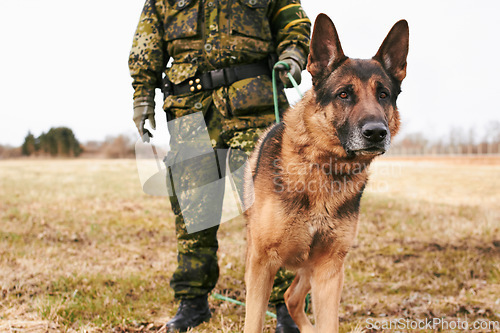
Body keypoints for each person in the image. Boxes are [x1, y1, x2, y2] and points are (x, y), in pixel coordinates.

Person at [129, 0, 310, 331]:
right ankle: (193, 302)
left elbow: (293, 22)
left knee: (275, 212)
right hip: (190, 111)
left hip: (254, 106)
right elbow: (147, 45)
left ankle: (286, 306)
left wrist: (294, 57)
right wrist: (142, 98)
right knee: (193, 214)